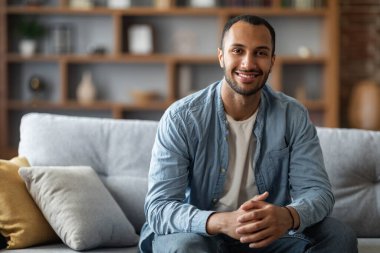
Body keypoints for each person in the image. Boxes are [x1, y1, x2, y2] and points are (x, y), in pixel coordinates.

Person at [139, 14, 358, 253]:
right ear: (221, 56)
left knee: (340, 236)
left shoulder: (293, 116)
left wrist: (288, 215)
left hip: (266, 236)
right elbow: (159, 207)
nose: (248, 63)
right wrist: (222, 221)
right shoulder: (181, 118)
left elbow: (318, 192)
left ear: (272, 61)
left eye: (260, 53)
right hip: (201, 233)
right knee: (186, 247)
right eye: (237, 51)